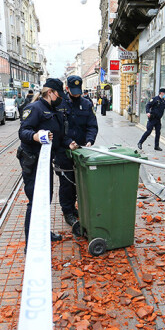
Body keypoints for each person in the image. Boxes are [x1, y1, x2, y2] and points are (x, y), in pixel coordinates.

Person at [17, 78, 78, 245]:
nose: (61, 99)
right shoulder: (34, 108)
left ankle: (43, 232)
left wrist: (69, 143)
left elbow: (59, 136)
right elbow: (23, 132)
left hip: (45, 163)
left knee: (46, 197)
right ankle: (31, 244)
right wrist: (35, 136)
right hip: (32, 161)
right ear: (50, 92)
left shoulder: (54, 109)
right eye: (58, 94)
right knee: (35, 200)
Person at [56, 75, 98, 227]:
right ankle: (68, 211)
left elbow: (92, 125)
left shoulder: (86, 104)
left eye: (78, 91)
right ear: (67, 89)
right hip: (64, 151)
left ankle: (76, 208)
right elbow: (57, 129)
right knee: (67, 183)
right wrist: (68, 143)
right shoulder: (60, 104)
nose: (76, 94)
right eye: (73, 91)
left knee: (79, 182)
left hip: (81, 151)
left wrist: (89, 140)